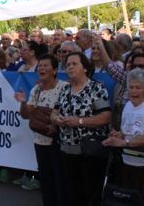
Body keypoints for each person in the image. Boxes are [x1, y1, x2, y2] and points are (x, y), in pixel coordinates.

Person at [51, 52, 111, 206]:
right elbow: (54, 112)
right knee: (73, 193)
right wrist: (56, 119)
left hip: (90, 151)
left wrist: (80, 121)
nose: (70, 67)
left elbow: (105, 117)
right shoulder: (65, 89)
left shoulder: (95, 87)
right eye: (68, 64)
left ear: (85, 67)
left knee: (91, 193)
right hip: (67, 150)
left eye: (74, 63)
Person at [15, 54, 66, 206]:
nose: (42, 68)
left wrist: (55, 125)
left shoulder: (64, 87)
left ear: (55, 70)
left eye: (46, 65)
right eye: (40, 66)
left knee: (60, 179)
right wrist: (23, 103)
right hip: (40, 141)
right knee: (46, 180)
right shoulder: (36, 89)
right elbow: (25, 115)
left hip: (58, 141)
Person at [102, 69, 144, 202]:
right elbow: (129, 131)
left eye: (138, 88)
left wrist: (124, 143)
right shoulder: (128, 105)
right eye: (131, 87)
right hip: (125, 162)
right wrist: (119, 135)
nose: (133, 91)